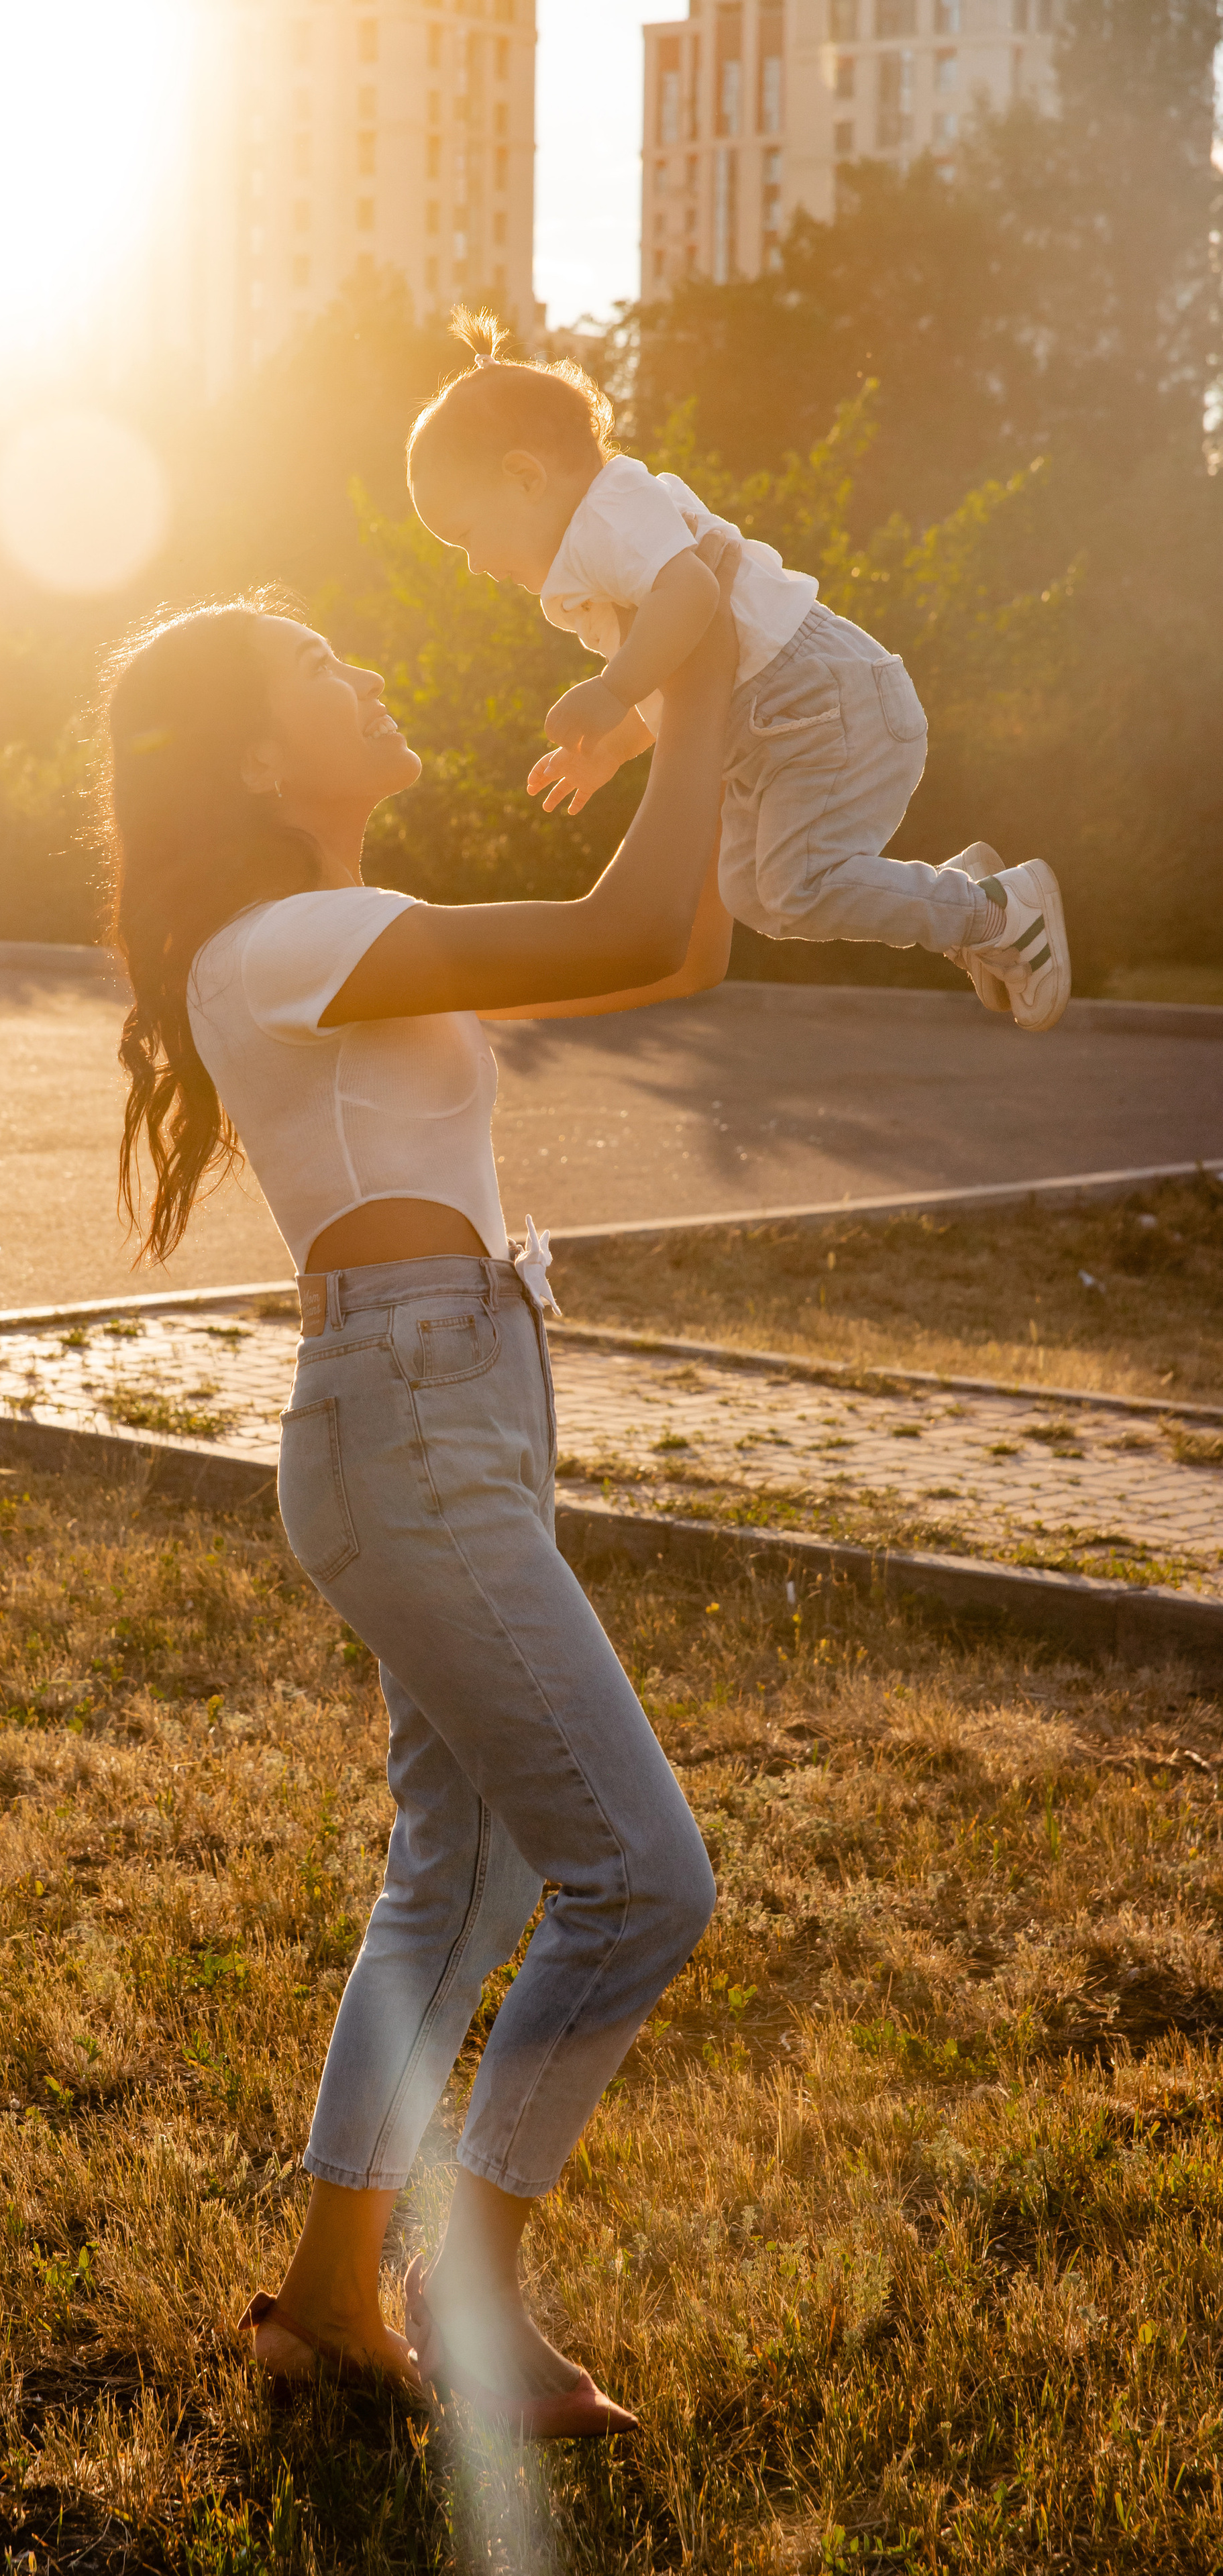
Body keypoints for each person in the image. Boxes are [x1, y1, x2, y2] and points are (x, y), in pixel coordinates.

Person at [99, 545, 738, 2440]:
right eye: (314, 650)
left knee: (461, 1887)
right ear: (241, 762)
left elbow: (680, 945)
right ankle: (468, 2280)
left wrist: (683, 707)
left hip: (451, 1402)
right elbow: (629, 933)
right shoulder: (281, 946)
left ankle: (323, 2304)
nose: (359, 660)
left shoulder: (330, 925)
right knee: (643, 1876)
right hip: (411, 1410)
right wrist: (683, 685)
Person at [406, 309, 1070, 1035]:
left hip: (819, 699)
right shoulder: (602, 543)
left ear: (523, 476)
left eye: (465, 535)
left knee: (792, 892)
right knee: (758, 896)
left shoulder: (608, 518)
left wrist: (609, 688)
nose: (472, 565)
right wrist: (614, 746)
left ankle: (996, 913)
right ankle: (969, 900)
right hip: (792, 719)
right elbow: (679, 676)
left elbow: (693, 596)